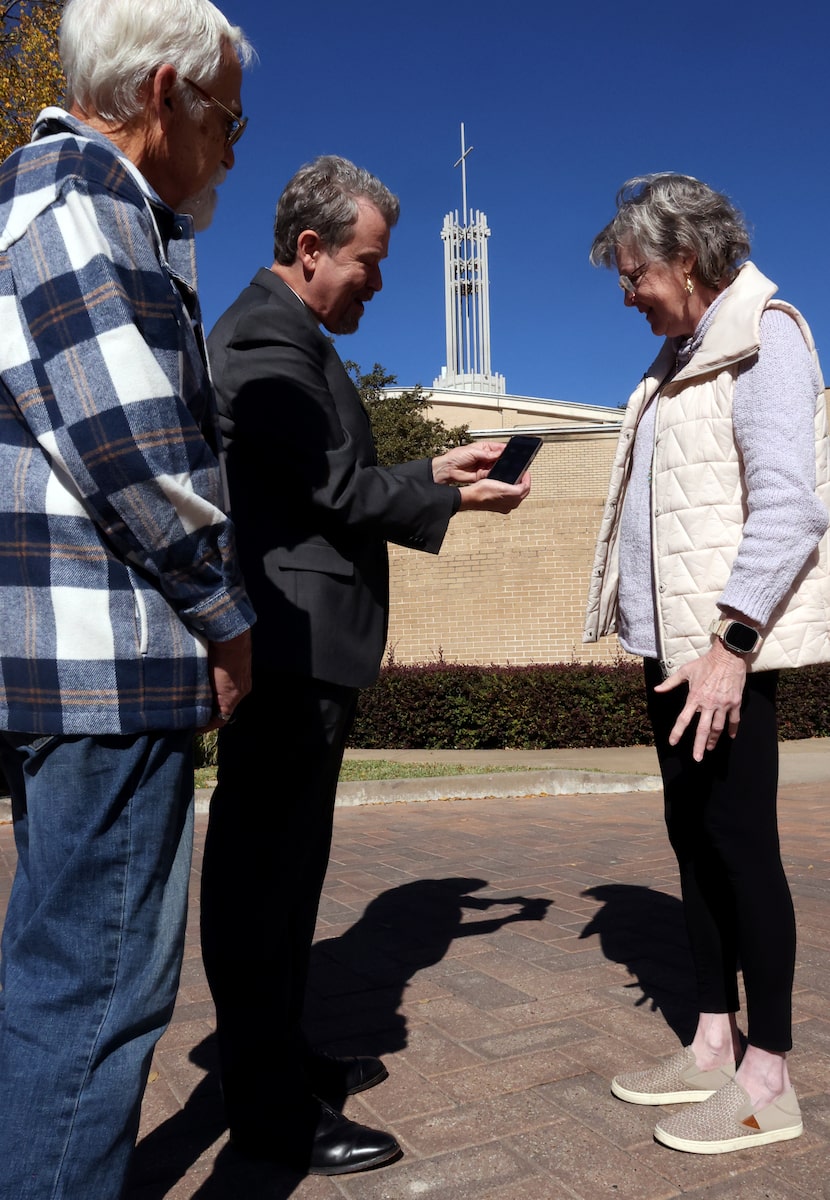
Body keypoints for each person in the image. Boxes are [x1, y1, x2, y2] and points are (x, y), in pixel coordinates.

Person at [200, 155, 530, 1176]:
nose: (375, 283)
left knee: (287, 879)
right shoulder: (262, 334)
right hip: (288, 651)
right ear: (309, 251)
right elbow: (333, 494)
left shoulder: (289, 333)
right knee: (263, 880)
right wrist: (449, 498)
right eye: (366, 262)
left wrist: (435, 467)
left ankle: (279, 1058)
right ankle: (266, 1112)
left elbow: (324, 476)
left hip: (306, 649)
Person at [0, 1, 256, 1196]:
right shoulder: (81, 204)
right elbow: (138, 449)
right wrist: (225, 613)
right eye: (229, 121)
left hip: (63, 660)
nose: (229, 153)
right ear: (166, 94)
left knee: (62, 979)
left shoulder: (42, 202)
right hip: (106, 668)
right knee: (95, 991)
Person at [585, 173, 830, 1155]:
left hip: (719, 654)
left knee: (739, 848)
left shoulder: (766, 336)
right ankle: (706, 1044)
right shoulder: (682, 356)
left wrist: (731, 643)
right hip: (669, 654)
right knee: (692, 842)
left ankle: (766, 1079)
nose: (625, 292)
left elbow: (790, 506)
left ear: (682, 259)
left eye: (634, 273)